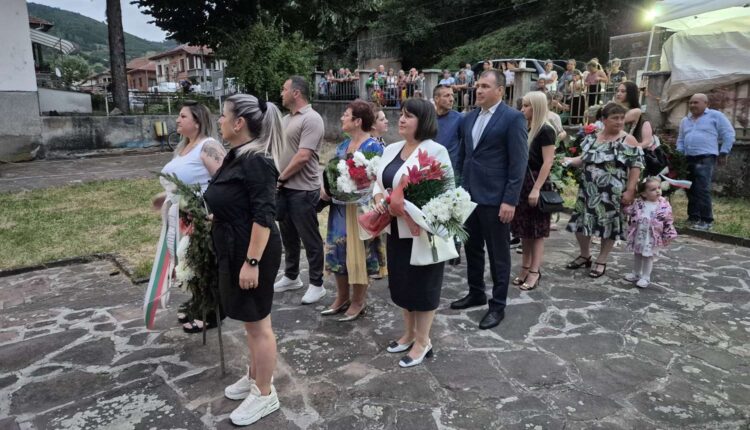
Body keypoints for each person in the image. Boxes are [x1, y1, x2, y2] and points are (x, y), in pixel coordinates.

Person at [204, 93, 283, 426]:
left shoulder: (257, 161)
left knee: (258, 325)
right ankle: (254, 375)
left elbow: (264, 216)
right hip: (234, 244)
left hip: (252, 250)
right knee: (250, 323)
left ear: (239, 123)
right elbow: (236, 202)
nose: (219, 121)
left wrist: (251, 263)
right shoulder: (236, 156)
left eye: (223, 115)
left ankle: (265, 393)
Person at [372, 97, 454, 367]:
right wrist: (379, 199)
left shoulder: (435, 151)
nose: (401, 119)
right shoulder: (392, 148)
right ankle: (408, 334)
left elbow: (445, 193)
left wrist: (406, 206)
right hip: (395, 229)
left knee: (423, 286)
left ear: (424, 120)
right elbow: (380, 182)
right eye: (401, 114)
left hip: (422, 233)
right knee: (402, 284)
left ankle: (423, 340)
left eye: (409, 115)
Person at [450, 70, 528, 330]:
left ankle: (498, 305)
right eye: (478, 85)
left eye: (485, 86)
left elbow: (518, 163)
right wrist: (458, 190)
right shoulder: (468, 118)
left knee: (498, 255)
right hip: (469, 196)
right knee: (472, 248)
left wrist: (510, 200)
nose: (479, 90)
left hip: (496, 199)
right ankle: (476, 293)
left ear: (500, 90)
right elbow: (464, 156)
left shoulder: (513, 118)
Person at [154, 101, 226, 333]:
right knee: (190, 262)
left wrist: (213, 212)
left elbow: (225, 180)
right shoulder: (184, 147)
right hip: (184, 216)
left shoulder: (208, 146)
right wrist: (164, 197)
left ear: (197, 122)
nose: (177, 119)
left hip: (204, 216)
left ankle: (213, 311)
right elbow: (182, 181)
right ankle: (198, 302)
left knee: (205, 264)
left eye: (183, 116)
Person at [320, 100, 385, 321]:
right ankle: (341, 297)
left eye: (346, 115)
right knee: (338, 250)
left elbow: (379, 180)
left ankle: (358, 300)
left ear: (357, 121)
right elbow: (332, 173)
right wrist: (327, 187)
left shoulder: (374, 147)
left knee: (361, 255)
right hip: (339, 208)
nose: (342, 118)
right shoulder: (342, 146)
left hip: (362, 209)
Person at [564, 103, 644, 278]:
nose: (620, 122)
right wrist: (566, 161)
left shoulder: (628, 140)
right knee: (581, 223)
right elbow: (584, 159)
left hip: (612, 193)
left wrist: (631, 190)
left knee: (608, 226)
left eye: (622, 118)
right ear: (604, 120)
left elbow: (636, 166)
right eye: (615, 118)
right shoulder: (593, 137)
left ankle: (602, 259)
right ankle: (585, 255)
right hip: (588, 191)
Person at [275, 76, 327, 304]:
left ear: (296, 92)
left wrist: (280, 177)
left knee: (310, 238)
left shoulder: (312, 119)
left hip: (303, 190)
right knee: (288, 237)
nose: (281, 93)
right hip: (284, 189)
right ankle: (291, 276)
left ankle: (317, 284)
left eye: (284, 89)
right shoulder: (286, 119)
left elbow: (304, 156)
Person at [510, 92, 556, 291]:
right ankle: (525, 267)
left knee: (537, 231)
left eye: (527, 106)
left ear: (536, 107)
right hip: (522, 182)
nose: (523, 109)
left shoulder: (545, 130)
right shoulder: (526, 128)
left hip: (536, 181)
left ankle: (535, 271)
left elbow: (548, 161)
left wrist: (536, 188)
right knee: (525, 230)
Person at [676, 93, 735, 231]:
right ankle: (693, 217)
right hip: (688, 158)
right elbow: (681, 139)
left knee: (702, 188)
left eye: (696, 102)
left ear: (706, 104)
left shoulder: (716, 116)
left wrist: (724, 152)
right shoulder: (685, 120)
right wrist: (678, 154)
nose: (692, 105)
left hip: (706, 157)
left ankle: (706, 220)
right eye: (690, 103)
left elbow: (729, 134)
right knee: (690, 188)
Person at [623, 177, 677, 288]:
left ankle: (646, 277)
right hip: (639, 234)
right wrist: (625, 204)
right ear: (644, 193)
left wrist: (668, 233)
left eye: (659, 188)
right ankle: (636, 273)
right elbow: (630, 211)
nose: (658, 191)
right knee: (638, 254)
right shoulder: (639, 203)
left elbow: (668, 220)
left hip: (652, 236)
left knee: (648, 256)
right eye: (653, 189)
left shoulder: (663, 206)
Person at [616, 81, 653, 149]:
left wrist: (633, 148)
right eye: (618, 91)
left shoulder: (636, 112)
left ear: (631, 93)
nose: (618, 94)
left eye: (623, 91)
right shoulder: (613, 108)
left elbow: (613, 121)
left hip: (625, 148)